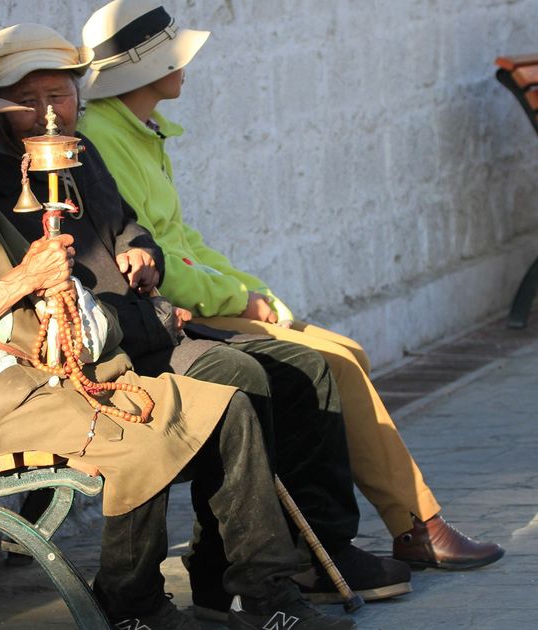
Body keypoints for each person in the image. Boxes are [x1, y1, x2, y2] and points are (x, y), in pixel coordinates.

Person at [0, 44, 355, 630]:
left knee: (228, 407)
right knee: (141, 436)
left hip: (25, 375)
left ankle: (265, 597)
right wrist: (21, 282)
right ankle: (131, 605)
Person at [0, 23, 412, 619]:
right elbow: (48, 299)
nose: (49, 115)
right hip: (105, 347)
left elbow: (127, 223)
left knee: (305, 369)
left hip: (144, 323)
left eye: (60, 96)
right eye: (29, 100)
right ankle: (241, 578)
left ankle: (316, 547)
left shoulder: (83, 153)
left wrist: (141, 250)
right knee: (235, 378)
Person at [76, 0, 504, 573]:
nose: (186, 67)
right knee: (334, 368)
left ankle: (400, 526)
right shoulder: (102, 137)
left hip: (201, 296)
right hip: (168, 314)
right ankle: (411, 526)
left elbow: (185, 239)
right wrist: (238, 299)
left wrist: (257, 292)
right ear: (144, 70)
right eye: (175, 58)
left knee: (348, 352)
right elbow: (155, 262)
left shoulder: (140, 129)